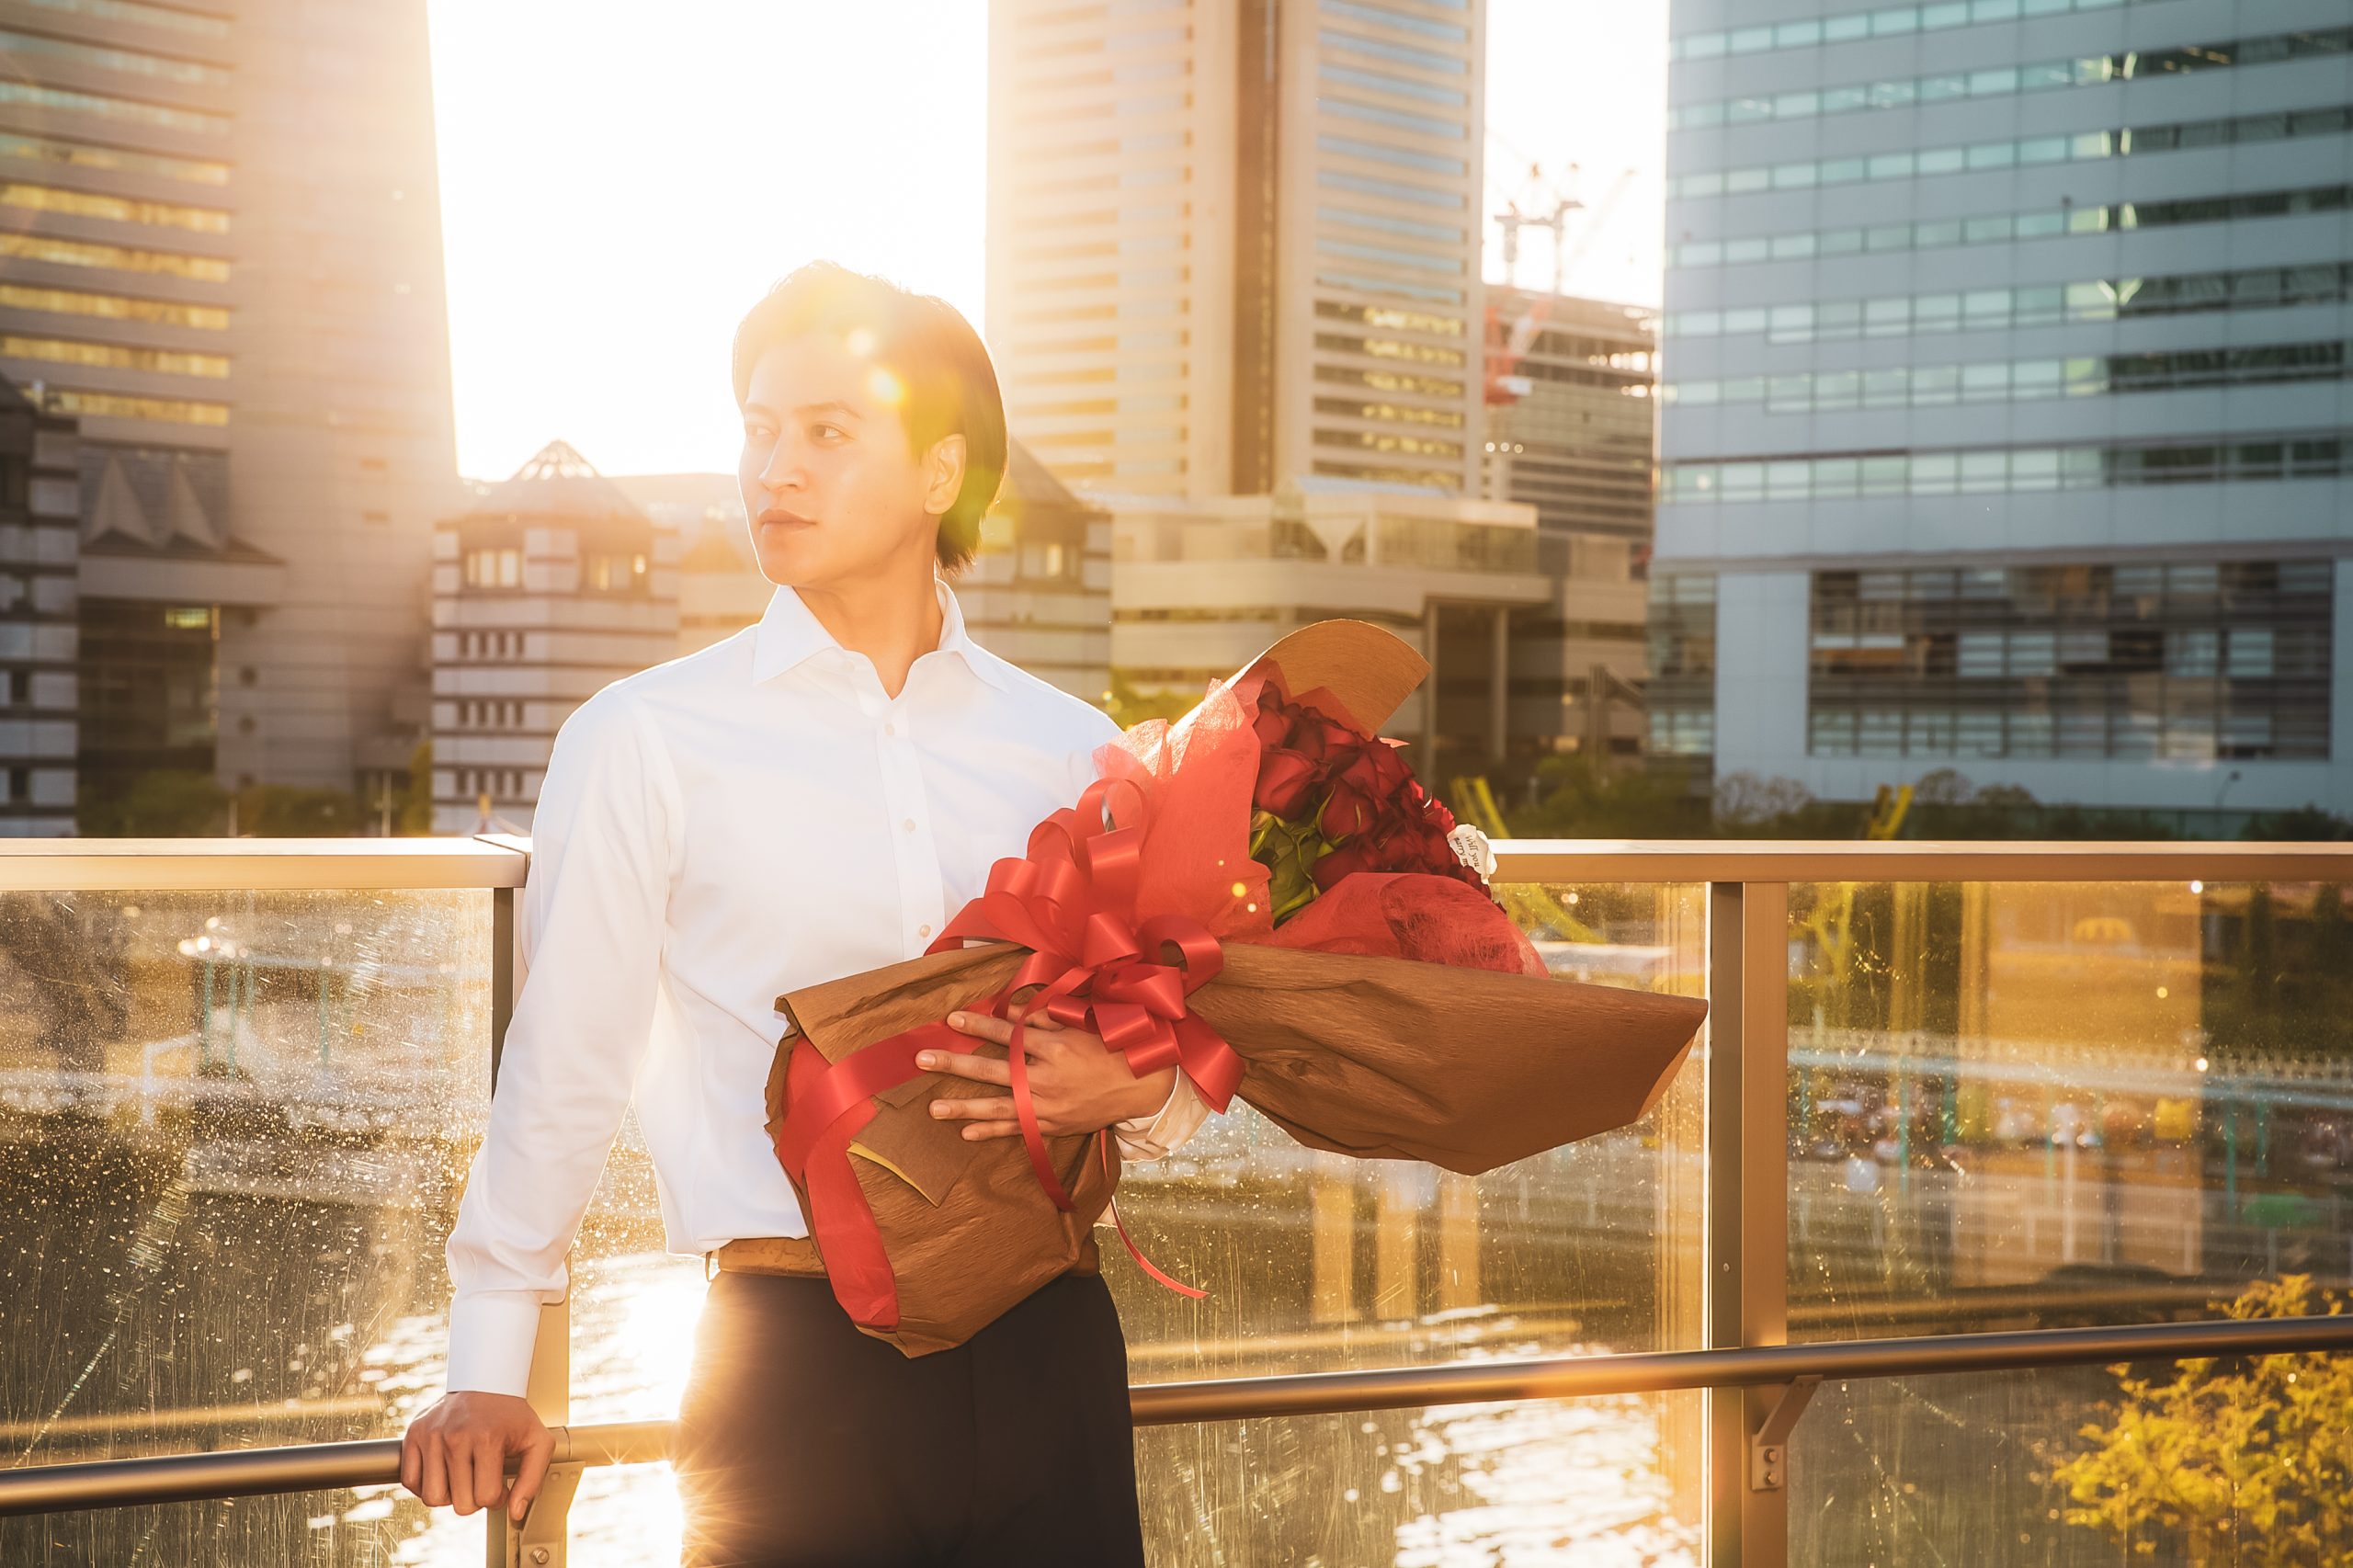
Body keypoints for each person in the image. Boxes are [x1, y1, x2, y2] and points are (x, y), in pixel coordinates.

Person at [398, 261, 1207, 1565]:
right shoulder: (645, 737)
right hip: (790, 1364)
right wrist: (494, 1358)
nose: (773, 467)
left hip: (1053, 1343)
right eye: (759, 429)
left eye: (827, 432)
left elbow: (1180, 1028)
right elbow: (568, 1059)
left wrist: (1135, 1090)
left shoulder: (1071, 749)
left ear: (942, 474)